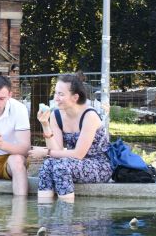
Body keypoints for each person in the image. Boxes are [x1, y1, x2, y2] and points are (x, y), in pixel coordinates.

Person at [36, 73, 113, 203]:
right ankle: (45, 214)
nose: (56, 98)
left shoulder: (89, 116)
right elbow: (57, 150)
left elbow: (78, 154)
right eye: (56, 93)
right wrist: (45, 125)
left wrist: (46, 152)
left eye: (61, 94)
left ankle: (67, 216)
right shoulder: (56, 115)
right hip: (72, 163)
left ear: (75, 97)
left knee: (61, 167)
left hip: (98, 165)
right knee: (47, 164)